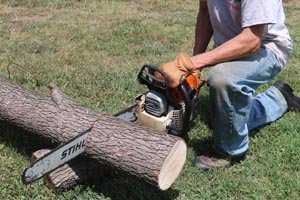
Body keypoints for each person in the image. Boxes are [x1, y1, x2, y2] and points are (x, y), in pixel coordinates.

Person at [157, 0, 300, 170]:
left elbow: (252, 40)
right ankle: (279, 98)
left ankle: (231, 150)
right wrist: (194, 68)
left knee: (222, 79)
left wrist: (191, 63)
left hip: (266, 47)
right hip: (231, 45)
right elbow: (205, 13)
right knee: (223, 120)